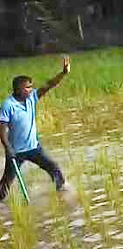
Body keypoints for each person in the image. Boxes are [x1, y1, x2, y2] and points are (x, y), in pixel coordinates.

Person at [0, 56, 71, 201]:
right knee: (6, 183)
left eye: (31, 87)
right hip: (16, 151)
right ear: (18, 89)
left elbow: (49, 85)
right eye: (27, 87)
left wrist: (63, 73)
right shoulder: (8, 105)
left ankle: (62, 194)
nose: (31, 90)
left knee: (54, 169)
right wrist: (8, 148)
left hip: (34, 148)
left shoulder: (32, 98)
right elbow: (2, 129)